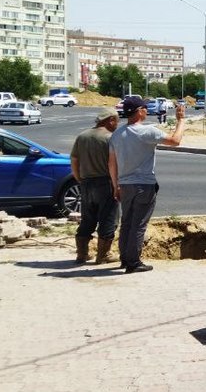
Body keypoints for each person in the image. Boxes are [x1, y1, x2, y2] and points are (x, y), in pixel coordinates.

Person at [108, 94, 186, 273]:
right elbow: (175, 141)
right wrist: (181, 121)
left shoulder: (117, 135)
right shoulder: (147, 131)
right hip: (144, 184)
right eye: (144, 108)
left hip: (125, 184)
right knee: (139, 224)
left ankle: (125, 258)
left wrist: (115, 185)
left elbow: (111, 163)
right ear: (139, 112)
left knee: (127, 222)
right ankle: (133, 262)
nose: (146, 110)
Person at [69, 109, 120, 264]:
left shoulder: (82, 136)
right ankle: (103, 255)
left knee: (87, 219)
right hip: (105, 182)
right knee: (108, 219)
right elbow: (114, 163)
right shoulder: (110, 138)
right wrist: (116, 185)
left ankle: (82, 254)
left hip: (85, 183)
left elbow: (74, 160)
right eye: (117, 121)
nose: (117, 125)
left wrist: (80, 179)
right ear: (111, 120)